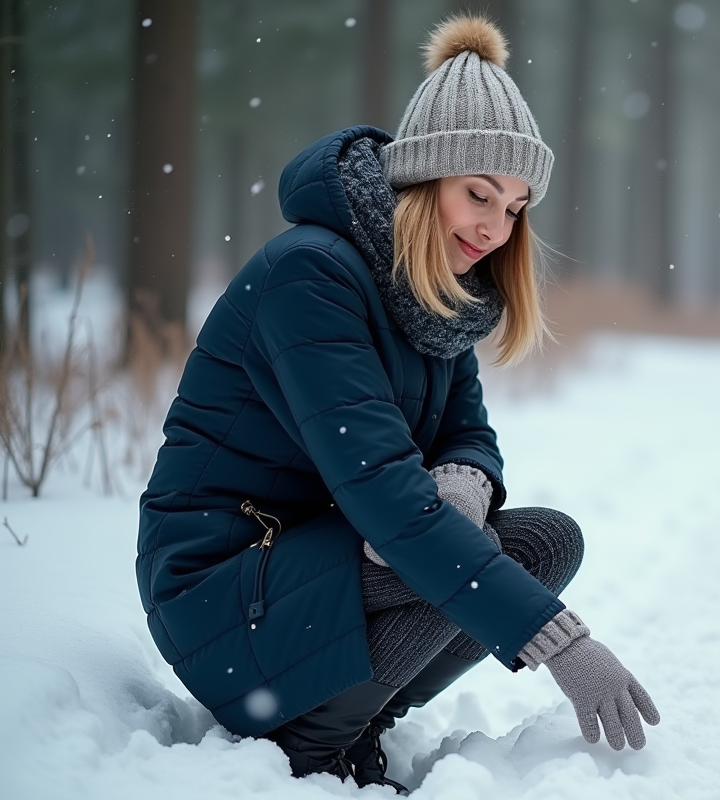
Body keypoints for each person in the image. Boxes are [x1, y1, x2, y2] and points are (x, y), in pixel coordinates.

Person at [135, 14, 659, 794]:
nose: (495, 226)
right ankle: (311, 740)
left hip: (318, 563)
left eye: (515, 207)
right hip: (224, 589)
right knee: (441, 553)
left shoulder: (435, 294)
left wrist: (464, 481)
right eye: (478, 194)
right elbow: (386, 501)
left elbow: (469, 432)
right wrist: (561, 643)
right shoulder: (311, 275)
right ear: (420, 179)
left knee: (544, 542)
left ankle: (355, 721)